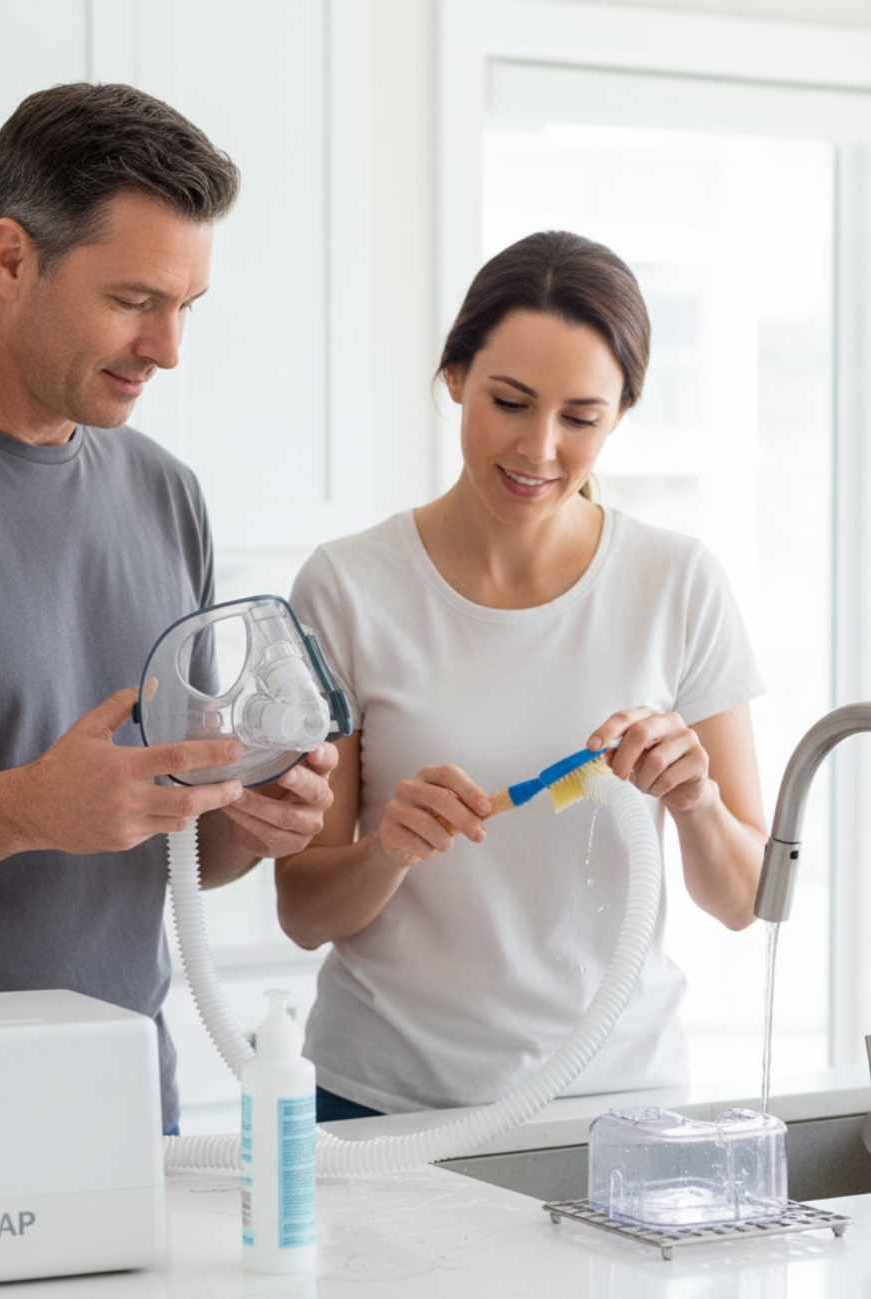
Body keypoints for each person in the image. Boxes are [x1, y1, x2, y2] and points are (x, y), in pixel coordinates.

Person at [0, 83, 337, 1167]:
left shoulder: (166, 494)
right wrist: (20, 810)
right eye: (134, 299)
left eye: (188, 306)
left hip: (123, 1121)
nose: (167, 348)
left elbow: (168, 842)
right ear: (11, 258)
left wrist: (251, 819)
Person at [276, 231, 768, 1123]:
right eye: (510, 402)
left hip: (618, 1106)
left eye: (581, 418)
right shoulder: (347, 587)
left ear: (620, 415)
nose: (539, 448)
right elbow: (303, 912)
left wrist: (695, 803)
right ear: (455, 375)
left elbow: (745, 900)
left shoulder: (677, 582)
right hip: (382, 1101)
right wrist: (388, 851)